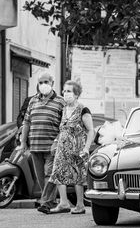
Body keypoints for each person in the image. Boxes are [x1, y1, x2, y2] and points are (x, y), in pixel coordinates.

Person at [18, 71, 64, 213]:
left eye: (46, 82)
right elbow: (26, 122)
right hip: (35, 146)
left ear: (52, 83)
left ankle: (45, 202)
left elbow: (64, 125)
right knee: (40, 176)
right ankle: (50, 201)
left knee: (49, 174)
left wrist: (57, 142)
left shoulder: (60, 101)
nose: (43, 85)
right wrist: (23, 142)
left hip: (51, 146)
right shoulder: (33, 101)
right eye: (41, 82)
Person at [48, 80, 94, 214]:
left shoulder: (82, 109)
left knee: (77, 174)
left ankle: (80, 205)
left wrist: (86, 148)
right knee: (57, 172)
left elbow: (91, 130)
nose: (65, 93)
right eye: (64, 90)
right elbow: (63, 129)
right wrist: (56, 142)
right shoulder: (63, 109)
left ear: (76, 94)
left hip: (77, 146)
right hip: (62, 147)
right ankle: (63, 203)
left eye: (68, 91)